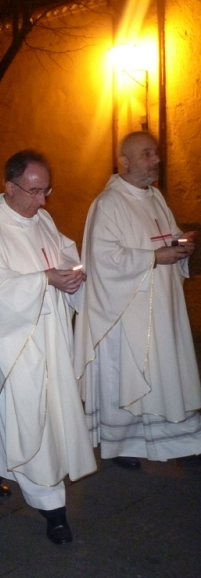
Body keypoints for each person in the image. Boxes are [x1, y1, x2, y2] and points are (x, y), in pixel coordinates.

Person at [0, 150, 96, 545]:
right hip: (15, 345)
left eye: (45, 190)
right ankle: (52, 508)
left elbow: (64, 253)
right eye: (34, 191)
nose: (42, 201)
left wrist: (72, 275)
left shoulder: (43, 219)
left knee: (30, 418)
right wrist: (45, 280)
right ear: (9, 186)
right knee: (31, 420)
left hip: (52, 339)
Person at [74, 131, 201, 468]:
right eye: (147, 154)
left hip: (164, 307)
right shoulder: (108, 204)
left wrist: (180, 245)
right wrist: (154, 257)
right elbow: (104, 260)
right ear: (125, 161)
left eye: (156, 153)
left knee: (167, 372)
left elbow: (166, 238)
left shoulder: (155, 197)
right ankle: (124, 444)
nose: (156, 160)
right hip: (129, 312)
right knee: (132, 377)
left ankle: (180, 440)